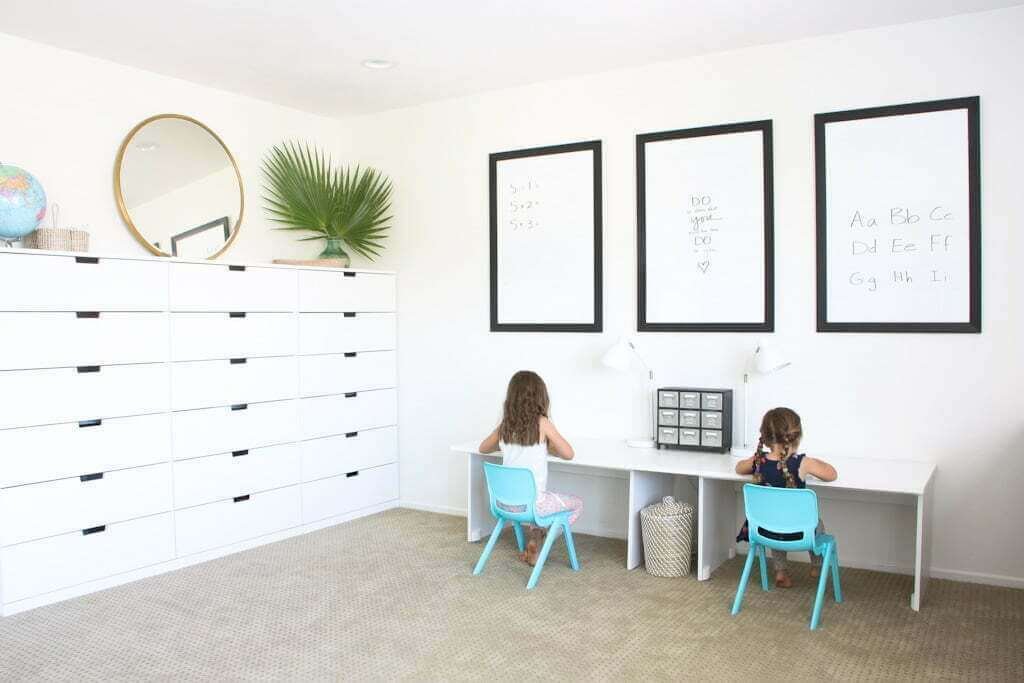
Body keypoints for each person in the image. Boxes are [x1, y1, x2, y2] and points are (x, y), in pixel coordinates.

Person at [479, 370, 583, 565]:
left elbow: (483, 448)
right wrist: (548, 446)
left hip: (506, 506)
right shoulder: (542, 423)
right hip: (535, 506)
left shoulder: (505, 427)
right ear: (540, 397)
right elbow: (569, 454)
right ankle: (543, 538)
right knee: (577, 504)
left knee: (537, 499)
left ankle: (536, 538)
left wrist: (503, 442)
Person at [735, 407, 837, 588]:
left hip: (765, 531)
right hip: (800, 531)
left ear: (766, 438)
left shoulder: (758, 461)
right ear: (797, 436)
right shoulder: (803, 463)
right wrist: (814, 461)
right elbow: (832, 474)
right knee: (816, 523)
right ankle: (816, 565)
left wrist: (755, 457)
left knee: (776, 522)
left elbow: (739, 468)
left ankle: (780, 572)